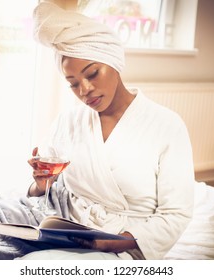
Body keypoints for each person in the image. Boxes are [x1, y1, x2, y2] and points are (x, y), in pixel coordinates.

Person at [25, 1, 195, 260]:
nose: (85, 90)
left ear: (113, 62)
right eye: (73, 84)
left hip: (125, 242)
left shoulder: (167, 126)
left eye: (92, 74)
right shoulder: (68, 121)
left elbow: (176, 214)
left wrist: (114, 243)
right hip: (66, 228)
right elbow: (44, 189)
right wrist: (41, 185)